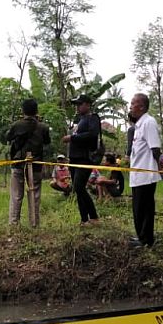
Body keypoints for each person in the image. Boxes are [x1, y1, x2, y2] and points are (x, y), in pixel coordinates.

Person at [6, 98, 51, 227]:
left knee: (16, 195)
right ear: (36, 111)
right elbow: (47, 142)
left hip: (18, 164)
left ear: (22, 110)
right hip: (36, 164)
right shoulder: (43, 127)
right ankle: (34, 223)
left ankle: (14, 223)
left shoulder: (17, 125)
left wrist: (12, 126)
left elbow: (7, 138)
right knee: (35, 195)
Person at [128, 93, 162, 248]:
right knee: (138, 208)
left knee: (145, 208)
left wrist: (157, 168)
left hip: (146, 175)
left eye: (133, 103)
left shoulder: (149, 122)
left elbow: (155, 149)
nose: (130, 106)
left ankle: (146, 240)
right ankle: (141, 237)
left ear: (141, 106)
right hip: (138, 175)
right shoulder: (138, 125)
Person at [62, 94, 100, 226]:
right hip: (74, 158)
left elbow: (92, 134)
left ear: (87, 105)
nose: (77, 107)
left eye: (80, 104)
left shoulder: (93, 118)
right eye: (76, 104)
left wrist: (72, 138)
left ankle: (94, 217)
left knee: (79, 186)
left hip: (85, 158)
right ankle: (84, 219)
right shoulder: (80, 120)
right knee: (77, 189)